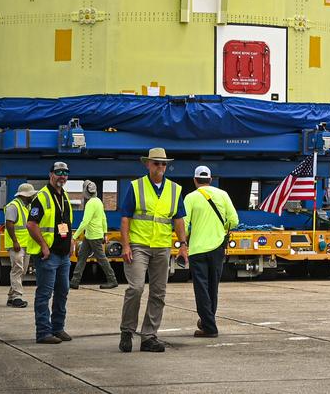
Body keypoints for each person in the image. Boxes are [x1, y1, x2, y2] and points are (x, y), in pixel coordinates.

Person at [119, 147, 187, 353]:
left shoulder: (175, 189)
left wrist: (183, 245)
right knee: (136, 288)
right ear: (147, 164)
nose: (160, 166)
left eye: (163, 163)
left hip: (162, 246)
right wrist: (125, 245)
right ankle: (127, 331)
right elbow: (125, 218)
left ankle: (149, 336)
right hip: (139, 245)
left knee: (158, 293)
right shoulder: (136, 186)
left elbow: (178, 219)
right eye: (156, 163)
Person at [183, 165, 239, 338]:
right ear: (211, 179)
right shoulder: (223, 195)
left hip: (197, 250)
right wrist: (220, 230)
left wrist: (183, 243)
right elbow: (234, 221)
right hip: (217, 248)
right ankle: (208, 321)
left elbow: (183, 224)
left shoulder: (190, 197)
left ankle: (209, 327)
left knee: (201, 288)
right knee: (213, 287)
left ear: (195, 180)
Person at [26, 162, 75, 344]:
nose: (62, 176)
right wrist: (44, 246)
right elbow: (31, 224)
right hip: (48, 255)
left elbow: (67, 223)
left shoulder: (65, 197)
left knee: (63, 291)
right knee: (45, 294)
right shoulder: (42, 197)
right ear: (51, 175)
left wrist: (71, 241)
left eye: (65, 173)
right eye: (58, 172)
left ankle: (58, 328)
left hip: (63, 255)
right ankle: (43, 333)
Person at [71, 180, 118, 290]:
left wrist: (74, 236)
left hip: (94, 236)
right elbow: (103, 219)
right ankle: (74, 281)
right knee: (82, 256)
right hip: (91, 235)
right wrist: (105, 233)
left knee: (101, 258)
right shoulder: (98, 201)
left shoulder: (90, 203)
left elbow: (85, 222)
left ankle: (112, 280)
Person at [3, 182, 37, 307]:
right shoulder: (13, 206)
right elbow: (9, 224)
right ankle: (17, 297)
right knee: (17, 269)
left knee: (22, 271)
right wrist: (15, 241)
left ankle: (11, 297)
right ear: (25, 195)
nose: (32, 197)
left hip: (25, 244)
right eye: (30, 195)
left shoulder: (26, 207)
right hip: (16, 244)